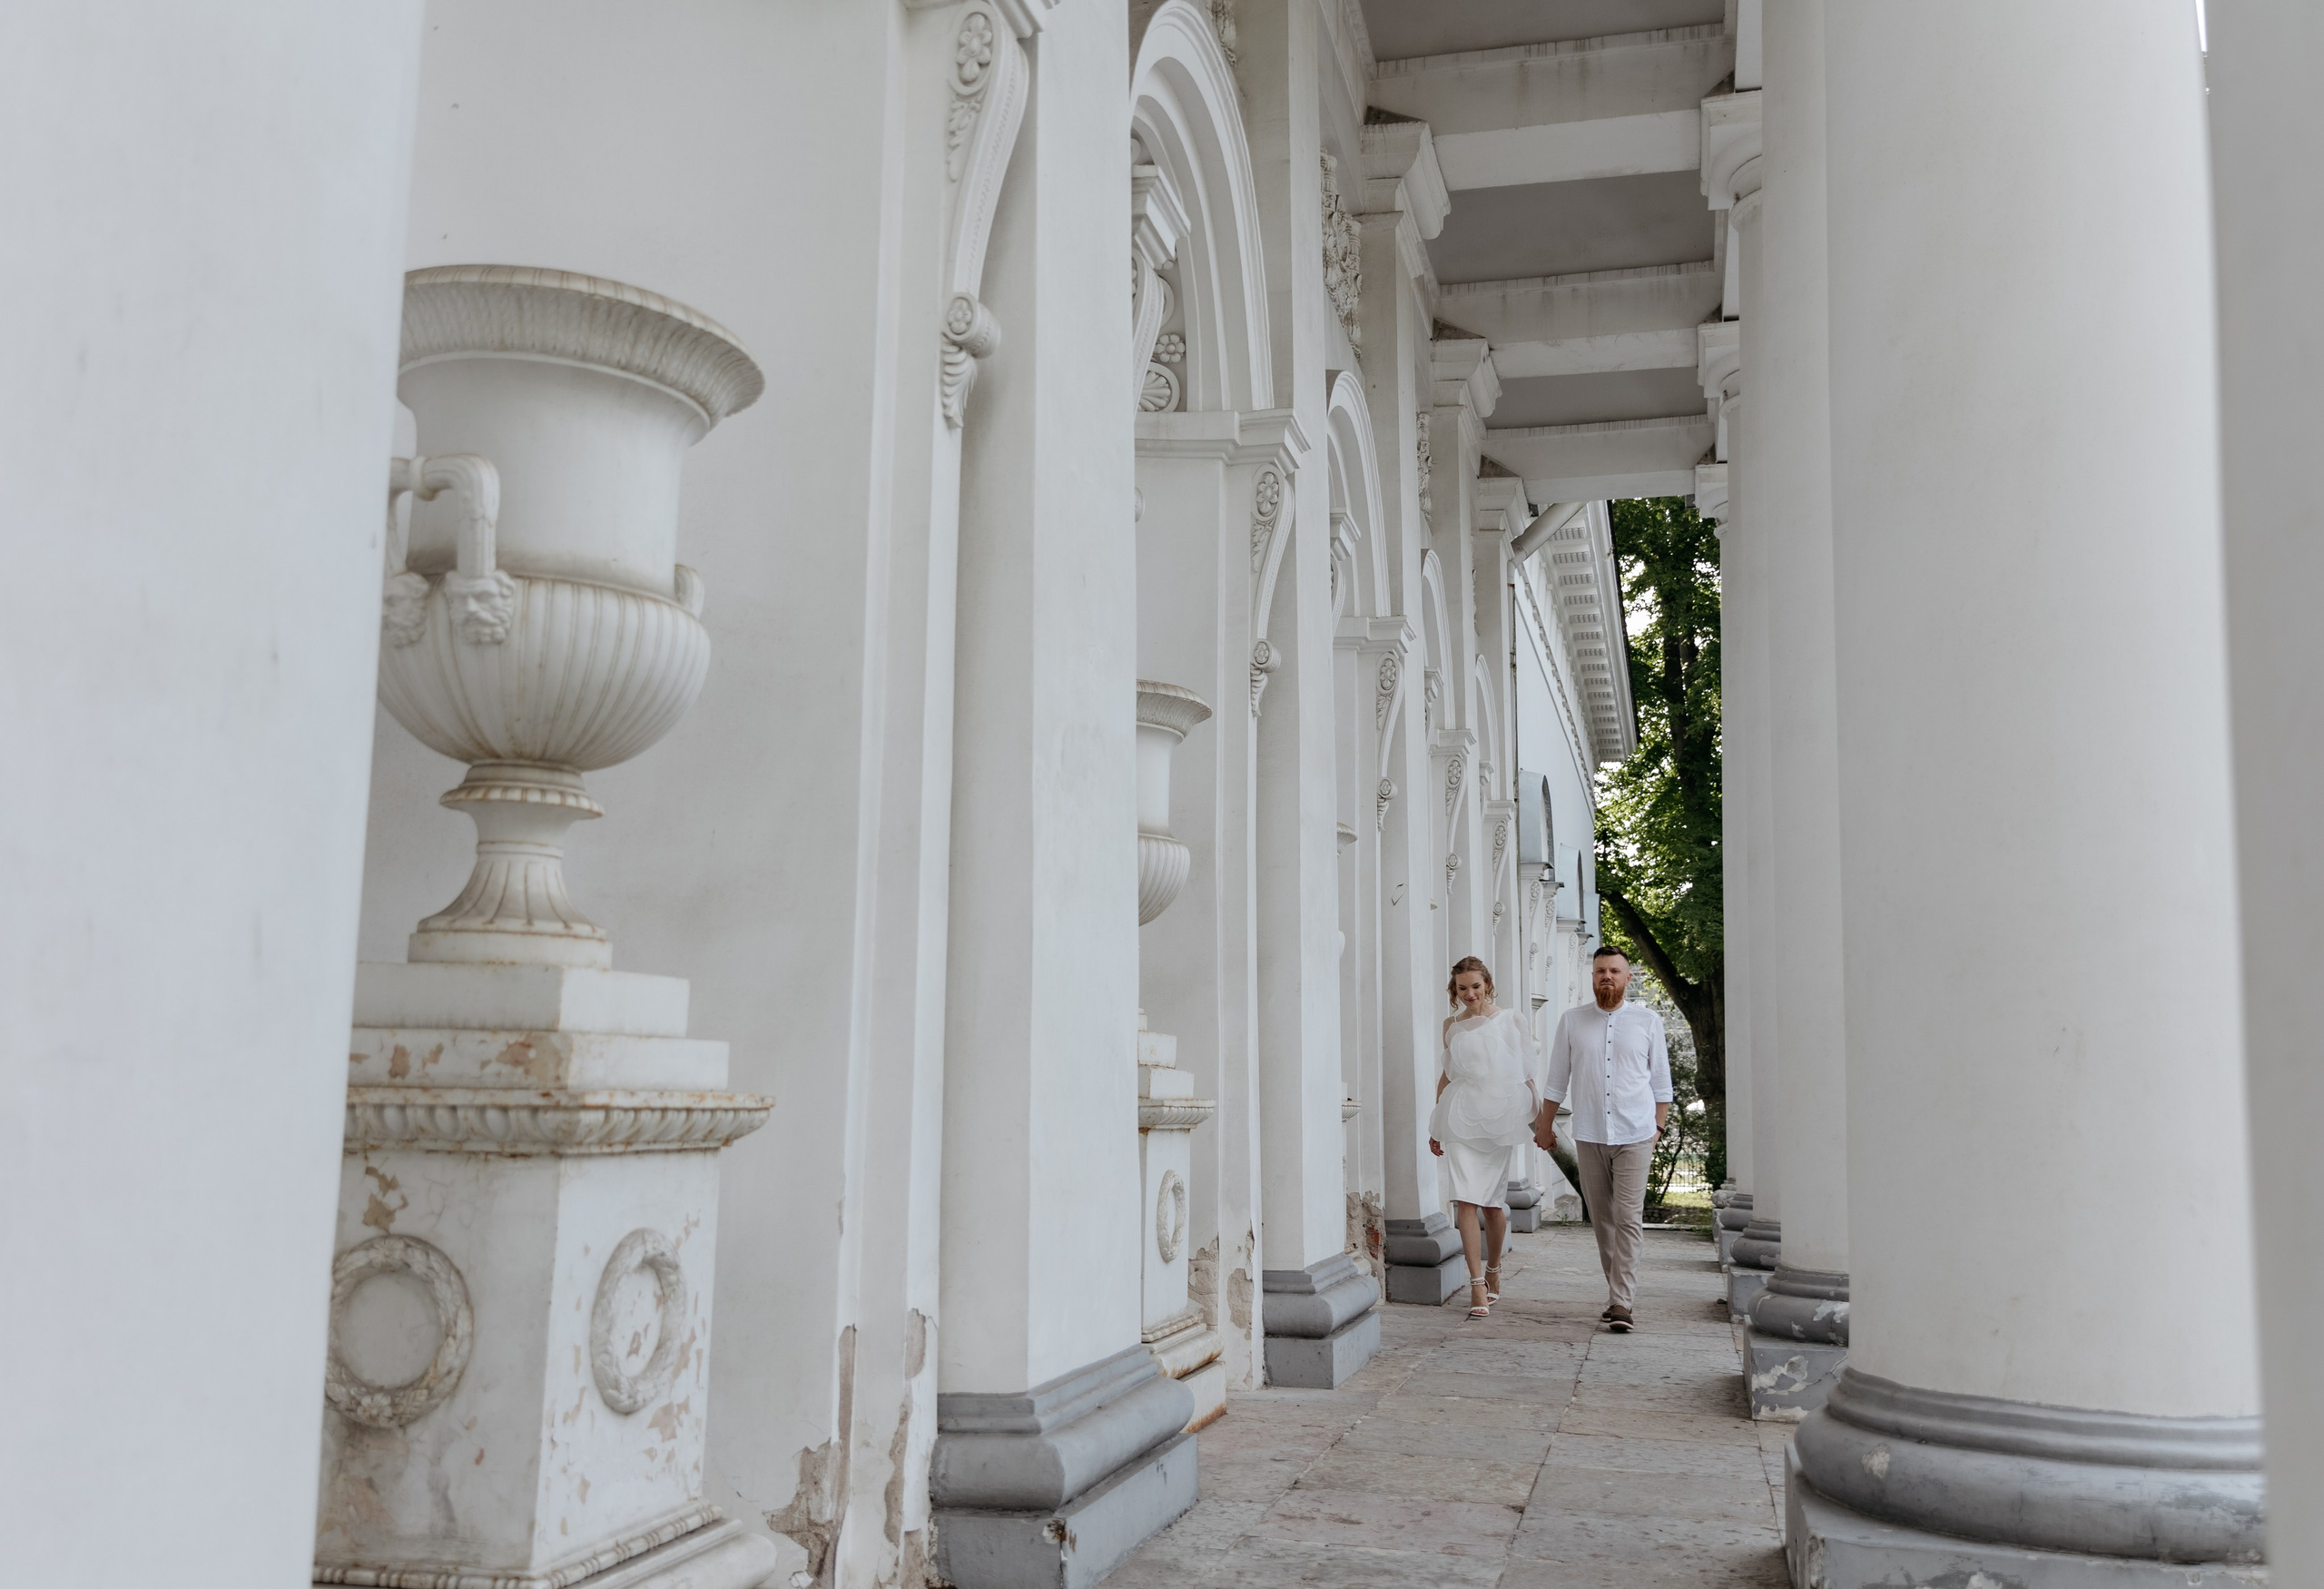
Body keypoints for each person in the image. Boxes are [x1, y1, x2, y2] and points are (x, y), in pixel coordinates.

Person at [1537, 944, 1671, 1333]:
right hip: (1590, 1134)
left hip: (1636, 1134)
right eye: (1600, 971)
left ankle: (1621, 1302)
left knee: (1628, 1217)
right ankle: (1616, 1294)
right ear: (1592, 977)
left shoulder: (1647, 1022)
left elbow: (1662, 1085)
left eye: (1614, 970)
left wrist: (1657, 1130)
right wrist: (1545, 1127)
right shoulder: (1572, 1021)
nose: (1607, 976)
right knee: (1602, 1220)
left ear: (1628, 977)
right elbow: (1556, 1080)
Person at [1429, 956, 1541, 1319]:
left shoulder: (1511, 1020)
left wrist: (1541, 1122)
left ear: (1487, 984)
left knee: (1493, 1206)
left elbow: (1526, 1075)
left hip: (1498, 1117)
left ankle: (1494, 1268)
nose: (1470, 994)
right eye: (1462, 989)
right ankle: (1476, 1283)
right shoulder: (1451, 1025)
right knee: (1464, 1200)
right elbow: (1446, 1078)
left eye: (1475, 987)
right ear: (1454, 990)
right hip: (1460, 1116)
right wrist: (1436, 1125)